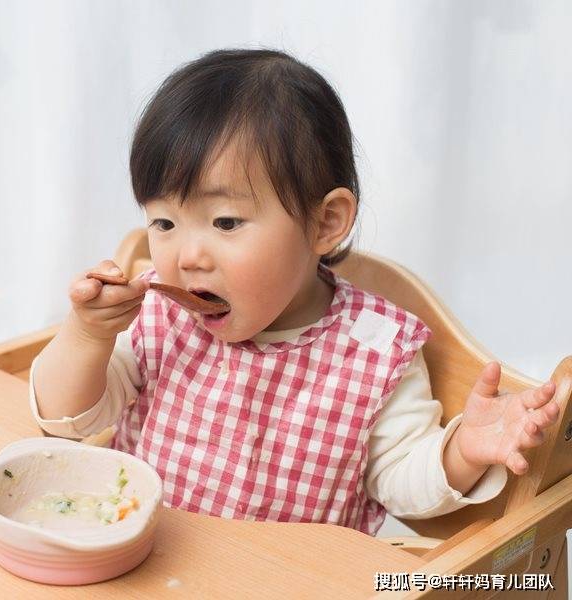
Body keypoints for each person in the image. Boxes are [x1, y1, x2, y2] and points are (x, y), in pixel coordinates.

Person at [29, 49, 559, 535]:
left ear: (325, 222)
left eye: (226, 220)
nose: (187, 255)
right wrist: (85, 337)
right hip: (148, 564)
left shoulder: (373, 349)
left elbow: (401, 479)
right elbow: (68, 418)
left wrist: (461, 452)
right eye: (164, 222)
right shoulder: (160, 319)